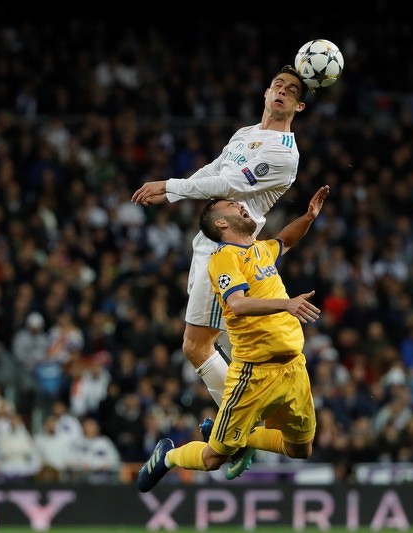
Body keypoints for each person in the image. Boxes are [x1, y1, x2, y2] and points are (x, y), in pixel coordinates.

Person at [131, 64, 310, 475]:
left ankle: (239, 431)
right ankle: (240, 430)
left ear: (298, 105)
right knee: (205, 346)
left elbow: (227, 185)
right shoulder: (245, 134)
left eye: (291, 90)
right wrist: (175, 186)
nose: (281, 92)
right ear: (266, 92)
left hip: (232, 250)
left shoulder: (283, 153)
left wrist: (171, 188)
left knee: (200, 346)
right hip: (209, 245)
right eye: (277, 85)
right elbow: (213, 171)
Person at [137, 185, 328, 492]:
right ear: (221, 224)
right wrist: (286, 303)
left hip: (294, 369)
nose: (241, 206)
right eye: (231, 205)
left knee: (300, 450)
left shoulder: (261, 250)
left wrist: (308, 216)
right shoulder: (223, 259)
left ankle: (245, 436)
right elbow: (237, 303)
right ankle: (168, 457)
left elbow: (285, 240)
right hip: (253, 374)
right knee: (213, 458)